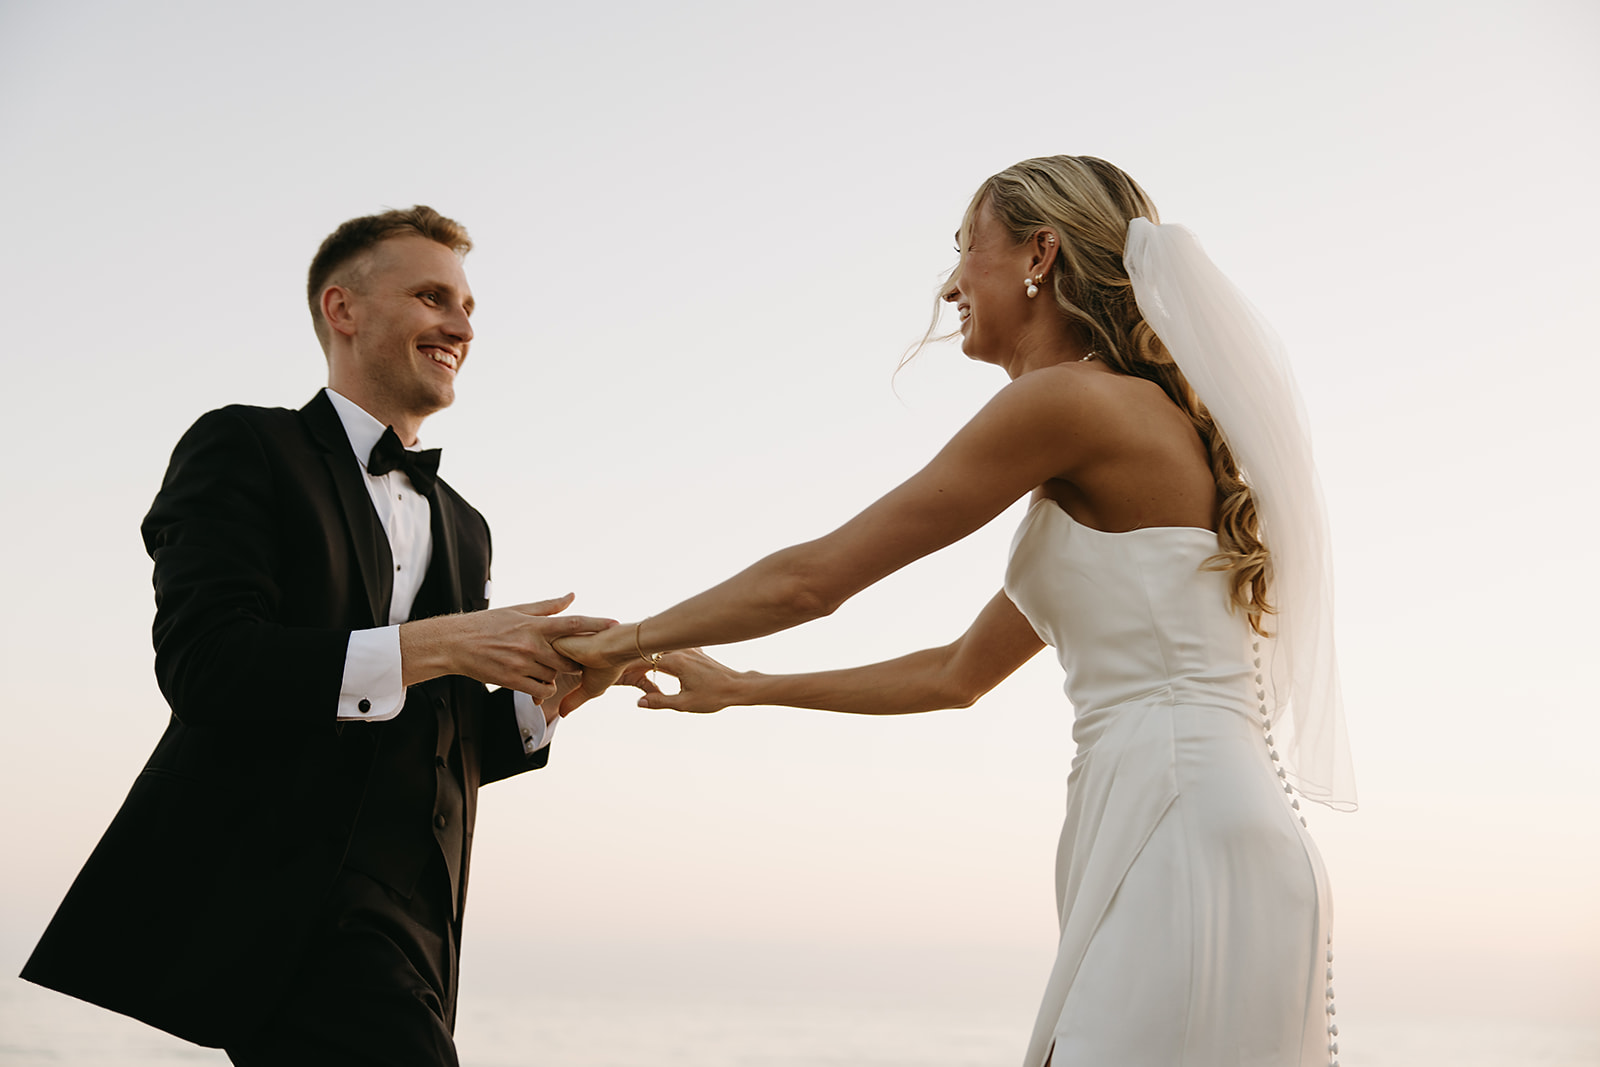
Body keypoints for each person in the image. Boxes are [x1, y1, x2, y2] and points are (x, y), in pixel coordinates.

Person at [556, 156, 1356, 1066]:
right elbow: (956, 673)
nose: (947, 286)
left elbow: (816, 577)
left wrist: (625, 640)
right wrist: (745, 686)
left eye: (964, 248)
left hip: (1172, 821)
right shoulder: (1132, 425)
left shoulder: (1066, 402)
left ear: (1039, 255)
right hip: (1211, 815)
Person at [21, 206, 625, 1066]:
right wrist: (445, 644)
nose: (461, 325)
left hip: (422, 929)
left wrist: (543, 701)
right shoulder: (244, 445)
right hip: (279, 908)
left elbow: (433, 746)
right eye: (432, 296)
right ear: (343, 310)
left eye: (468, 307)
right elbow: (208, 668)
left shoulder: (466, 526)